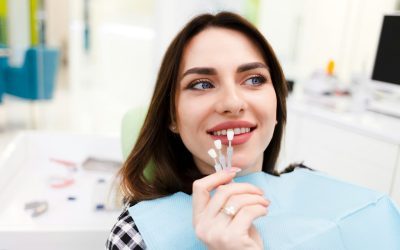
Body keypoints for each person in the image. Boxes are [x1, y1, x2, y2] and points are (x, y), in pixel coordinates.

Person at [106, 12, 400, 250]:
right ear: (171, 115)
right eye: (202, 84)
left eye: (255, 79)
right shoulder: (135, 235)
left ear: (276, 105)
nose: (233, 103)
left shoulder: (320, 186)